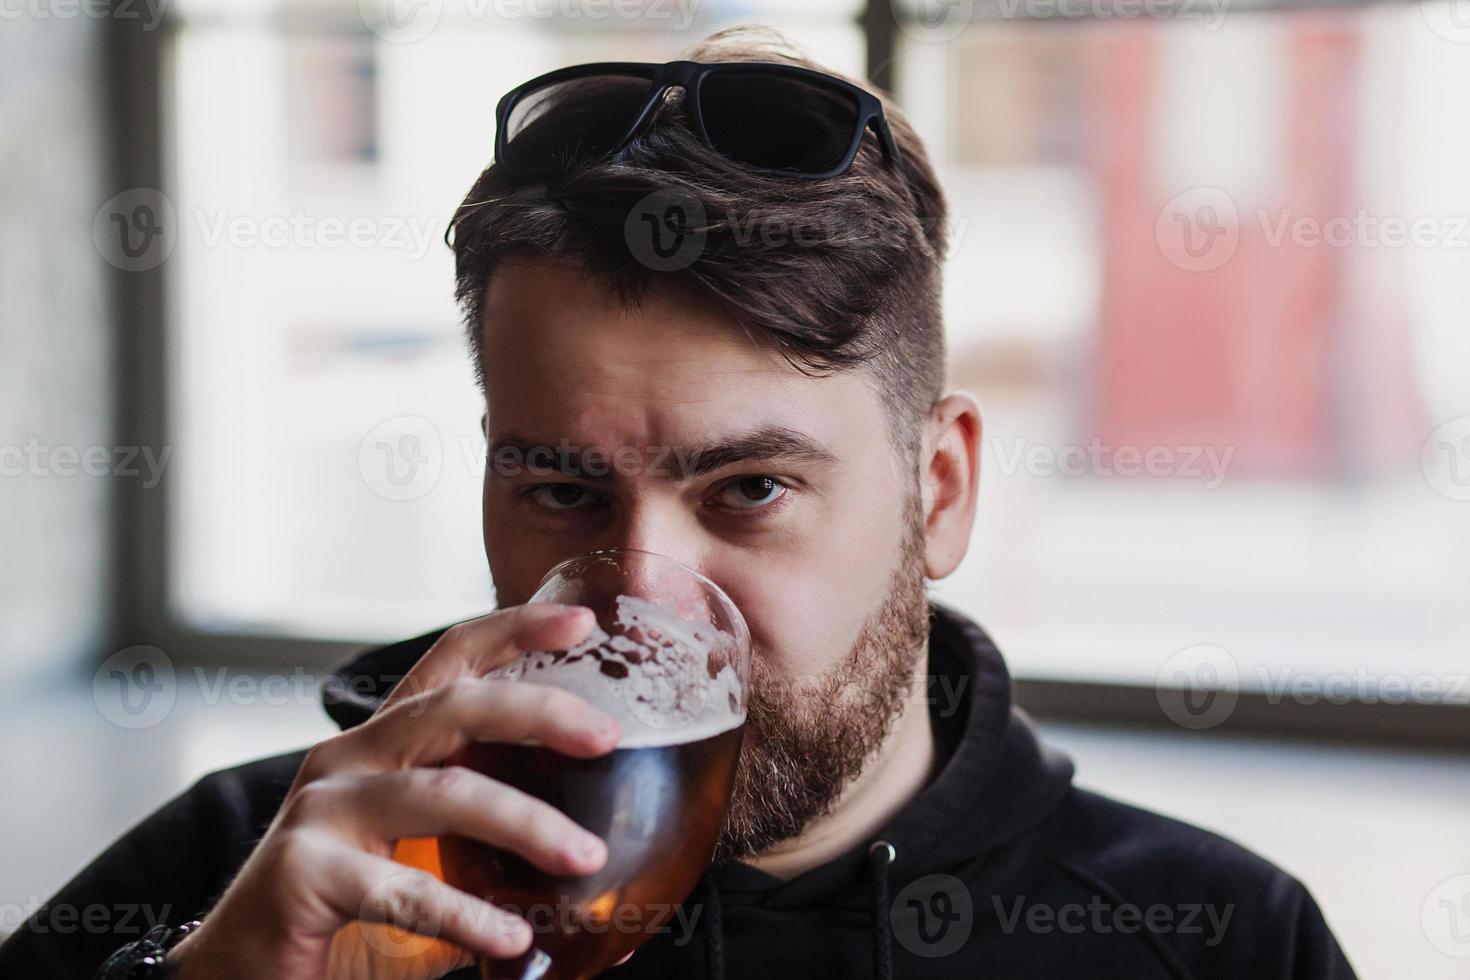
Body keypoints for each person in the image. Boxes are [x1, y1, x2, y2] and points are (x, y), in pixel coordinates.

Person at [0, 25, 1356, 980]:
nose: (638, 596)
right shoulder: (258, 882)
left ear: (937, 493)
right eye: (557, 486)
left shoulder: (1210, 936)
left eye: (749, 488)